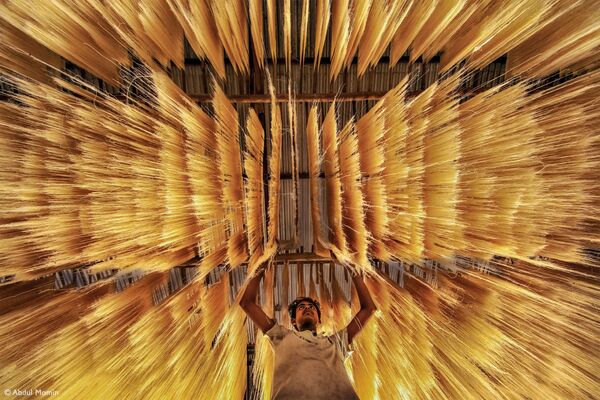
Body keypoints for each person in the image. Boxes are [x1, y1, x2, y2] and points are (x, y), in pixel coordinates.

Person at [239, 258, 377, 400]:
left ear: (319, 319)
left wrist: (352, 270)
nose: (307, 309)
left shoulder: (336, 342)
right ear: (293, 321)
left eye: (311, 308)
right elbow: (247, 304)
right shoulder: (281, 335)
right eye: (301, 308)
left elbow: (369, 309)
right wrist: (261, 267)